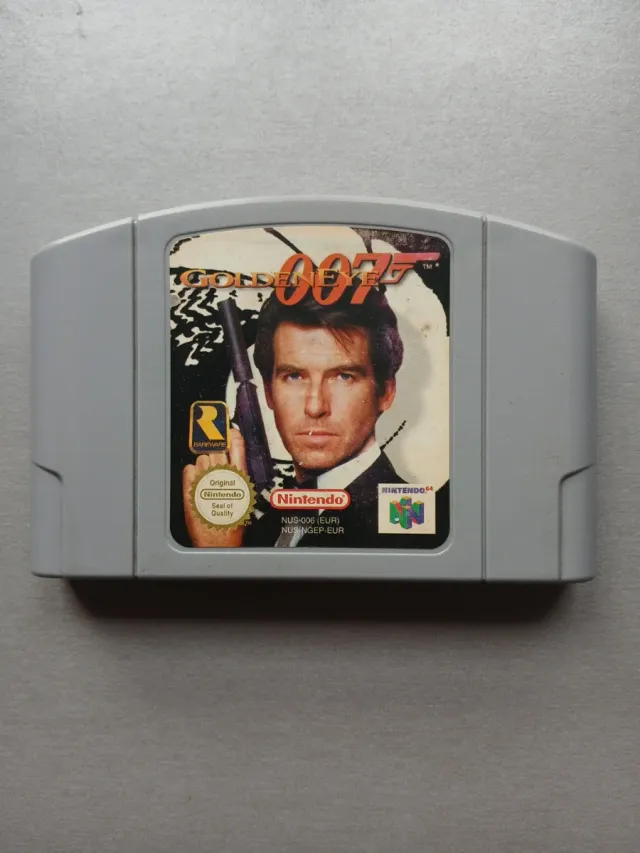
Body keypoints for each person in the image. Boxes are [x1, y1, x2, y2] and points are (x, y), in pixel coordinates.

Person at [182, 286, 447, 548]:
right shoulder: (265, 524)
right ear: (269, 393)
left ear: (385, 393)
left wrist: (220, 554)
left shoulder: (414, 526)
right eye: (294, 376)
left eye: (343, 376)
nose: (315, 406)